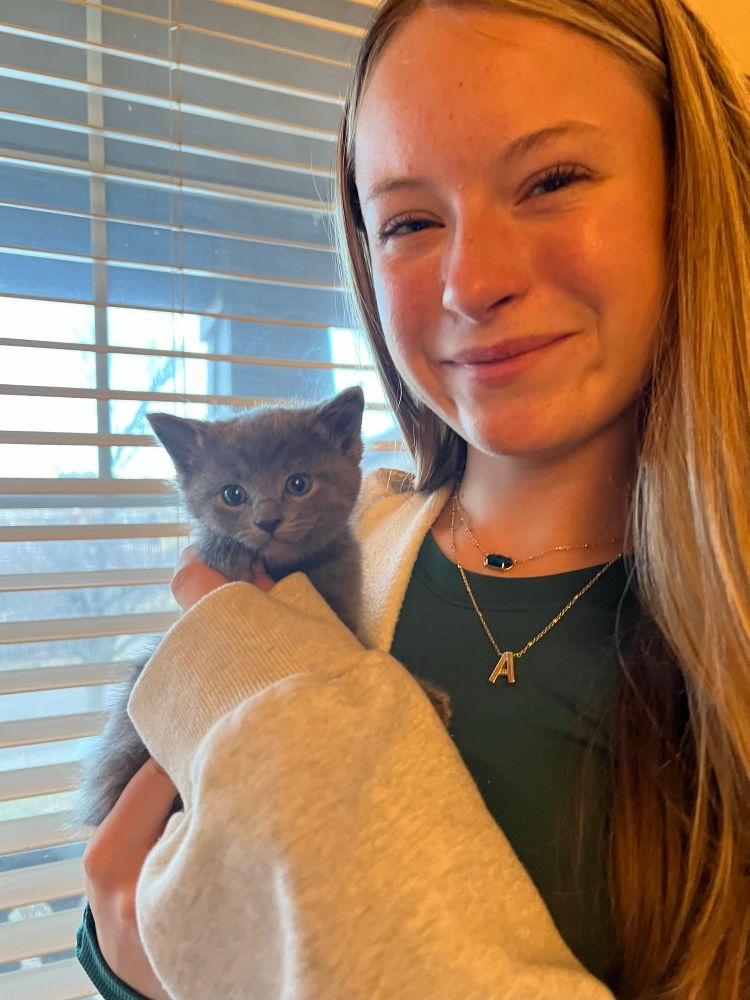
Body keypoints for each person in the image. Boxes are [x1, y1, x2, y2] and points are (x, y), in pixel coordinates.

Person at [76, 0, 749, 997]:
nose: (472, 283)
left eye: (552, 180)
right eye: (409, 222)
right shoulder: (331, 565)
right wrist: (128, 959)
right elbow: (133, 888)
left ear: (694, 195)